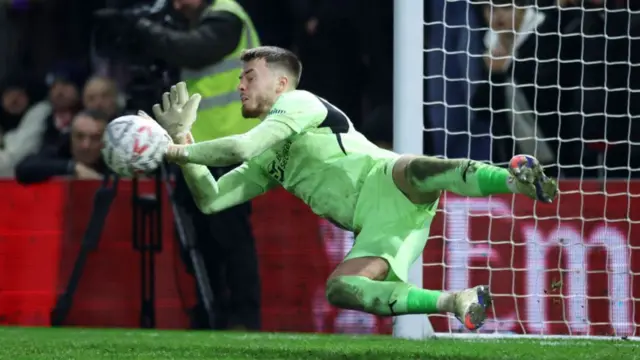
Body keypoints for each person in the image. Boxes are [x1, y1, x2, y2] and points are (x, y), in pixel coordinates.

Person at [150, 46, 558, 330]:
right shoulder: (267, 160)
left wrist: (174, 151)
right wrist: (185, 141)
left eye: (249, 76)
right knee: (341, 289)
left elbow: (240, 145)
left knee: (418, 168)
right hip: (378, 226)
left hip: (384, 179)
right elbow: (210, 198)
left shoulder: (300, 103)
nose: (240, 85)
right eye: (240, 77)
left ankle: (513, 178)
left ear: (280, 84)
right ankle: (456, 301)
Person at [127, 0, 263, 330]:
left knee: (230, 236)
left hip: (233, 145)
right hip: (196, 148)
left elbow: (193, 50)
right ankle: (210, 311)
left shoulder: (227, 16)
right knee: (198, 239)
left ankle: (242, 319)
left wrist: (143, 30)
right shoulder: (191, 25)